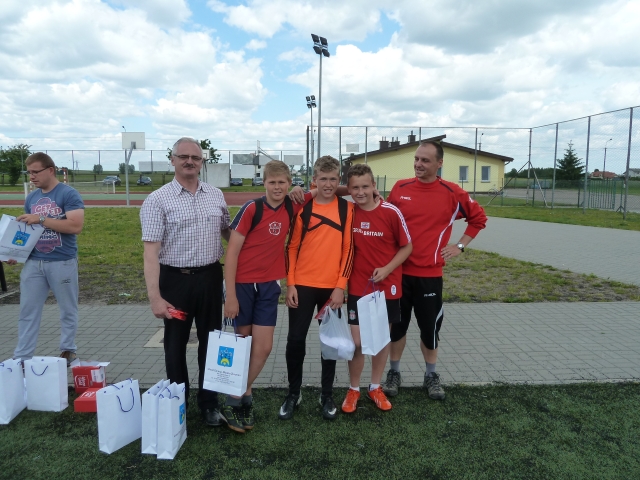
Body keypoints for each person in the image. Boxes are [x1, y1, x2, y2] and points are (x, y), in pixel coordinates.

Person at [383, 140, 487, 400]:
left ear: (439, 163)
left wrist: (460, 246)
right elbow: (385, 219)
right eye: (416, 159)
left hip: (429, 277)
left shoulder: (452, 193)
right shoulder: (400, 188)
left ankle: (431, 375)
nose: (418, 164)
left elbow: (479, 219)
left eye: (425, 160)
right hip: (398, 274)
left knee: (429, 330)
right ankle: (394, 372)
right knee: (396, 328)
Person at [140, 137, 230, 427]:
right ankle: (177, 401)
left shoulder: (215, 195)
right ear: (173, 160)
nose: (190, 161)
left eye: (195, 157)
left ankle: (209, 403)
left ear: (202, 162)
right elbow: (150, 253)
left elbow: (229, 233)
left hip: (210, 279)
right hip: (175, 282)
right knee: (175, 344)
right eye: (183, 157)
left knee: (211, 343)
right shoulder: (157, 200)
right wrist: (155, 297)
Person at [222, 160, 316, 433]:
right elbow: (232, 253)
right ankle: (245, 399)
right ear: (263, 183)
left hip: (269, 286)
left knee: (263, 348)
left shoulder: (292, 204)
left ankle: (234, 396)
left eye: (282, 182)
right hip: (242, 285)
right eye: (272, 182)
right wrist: (230, 296)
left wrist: (369, 192)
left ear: (289, 184)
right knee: (243, 344)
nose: (277, 187)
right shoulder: (252, 208)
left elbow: (326, 187)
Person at [279, 156, 354, 421]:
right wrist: (290, 283)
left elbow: (348, 249)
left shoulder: (346, 208)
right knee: (295, 340)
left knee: (330, 343)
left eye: (333, 179)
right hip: (302, 285)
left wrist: (340, 286)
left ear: (339, 179)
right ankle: (293, 393)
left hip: (331, 289)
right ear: (314, 180)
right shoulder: (304, 207)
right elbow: (291, 247)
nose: (328, 184)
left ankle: (327, 394)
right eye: (323, 179)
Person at [341, 164, 412, 413]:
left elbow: (407, 247)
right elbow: (326, 191)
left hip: (387, 287)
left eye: (365, 186)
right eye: (355, 188)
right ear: (349, 189)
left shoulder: (391, 212)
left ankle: (374, 387)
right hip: (358, 287)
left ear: (374, 186)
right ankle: (353, 389)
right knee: (357, 342)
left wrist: (387, 268)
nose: (360, 192)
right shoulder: (349, 212)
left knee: (381, 341)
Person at [8, 152, 85, 366]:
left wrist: (41, 219)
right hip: (34, 262)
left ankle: (68, 350)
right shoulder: (31, 198)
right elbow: (28, 232)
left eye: (35, 172)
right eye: (29, 172)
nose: (31, 177)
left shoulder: (68, 194)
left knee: (67, 309)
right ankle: (22, 357)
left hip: (62, 261)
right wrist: (15, 253)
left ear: (50, 170)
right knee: (27, 311)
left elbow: (75, 226)